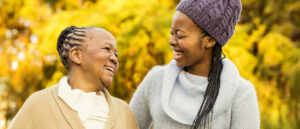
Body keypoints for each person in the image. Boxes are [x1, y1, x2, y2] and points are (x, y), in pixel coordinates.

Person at [129, 0, 260, 129]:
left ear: (210, 41)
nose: (171, 41)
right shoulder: (156, 80)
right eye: (171, 34)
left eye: (180, 36)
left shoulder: (241, 94)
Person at [8, 26, 139, 129]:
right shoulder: (39, 104)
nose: (114, 58)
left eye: (116, 54)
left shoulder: (124, 113)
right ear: (76, 55)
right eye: (106, 49)